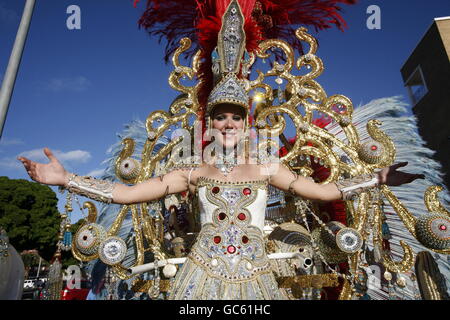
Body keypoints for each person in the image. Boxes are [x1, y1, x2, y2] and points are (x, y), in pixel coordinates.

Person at [18, 0, 425, 300]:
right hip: (197, 282)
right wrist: (65, 179)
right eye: (220, 117)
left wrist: (377, 178)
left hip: (258, 282)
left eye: (236, 117)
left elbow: (324, 193)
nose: (228, 124)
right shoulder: (193, 170)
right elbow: (126, 194)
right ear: (210, 123)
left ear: (247, 123)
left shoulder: (268, 165)